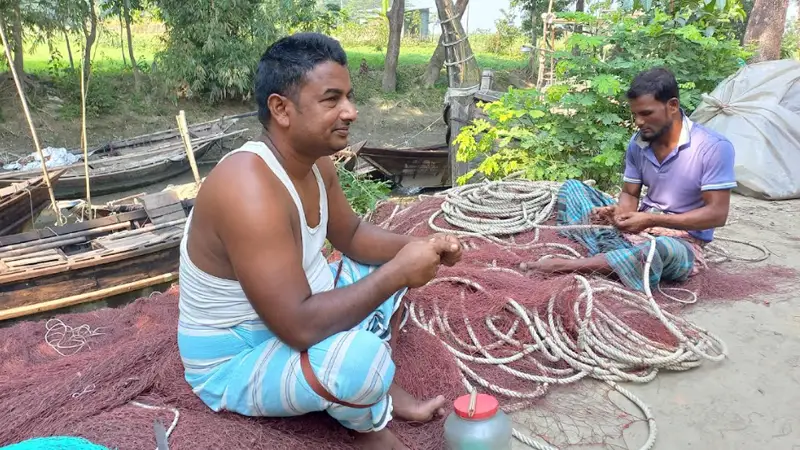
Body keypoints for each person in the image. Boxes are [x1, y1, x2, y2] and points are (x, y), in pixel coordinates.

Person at [176, 33, 462, 449]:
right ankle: (368, 425)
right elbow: (297, 326)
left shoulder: (317, 164)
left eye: (348, 96)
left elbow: (353, 236)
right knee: (359, 363)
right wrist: (401, 271)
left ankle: (375, 386)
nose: (351, 111)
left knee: (390, 266)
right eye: (332, 100)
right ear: (281, 109)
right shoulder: (247, 188)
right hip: (240, 353)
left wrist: (423, 247)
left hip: (299, 307)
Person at [527, 68, 736, 291]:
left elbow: (717, 214)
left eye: (646, 113)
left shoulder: (713, 147)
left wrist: (650, 220)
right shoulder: (639, 143)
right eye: (634, 114)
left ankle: (572, 265)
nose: (638, 121)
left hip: (681, 241)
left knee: (660, 251)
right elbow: (630, 193)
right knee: (572, 189)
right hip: (639, 228)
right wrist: (621, 214)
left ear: (672, 106)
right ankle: (618, 257)